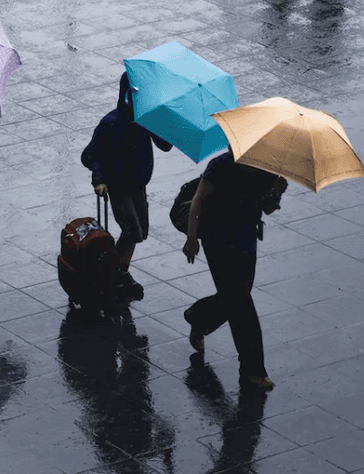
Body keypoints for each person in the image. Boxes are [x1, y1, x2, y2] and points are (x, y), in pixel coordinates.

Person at [182, 149, 288, 392]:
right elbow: (198, 200)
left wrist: (277, 193)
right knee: (242, 305)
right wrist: (192, 237)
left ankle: (199, 317)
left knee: (235, 298)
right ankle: (253, 370)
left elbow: (267, 208)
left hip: (246, 242)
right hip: (218, 242)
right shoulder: (220, 166)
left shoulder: (265, 169)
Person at [81, 72, 173, 296]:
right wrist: (99, 179)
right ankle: (111, 272)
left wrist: (163, 122)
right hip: (118, 186)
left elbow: (165, 145)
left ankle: (120, 271)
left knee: (140, 232)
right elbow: (91, 155)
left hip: (138, 184)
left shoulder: (146, 120)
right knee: (132, 231)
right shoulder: (111, 123)